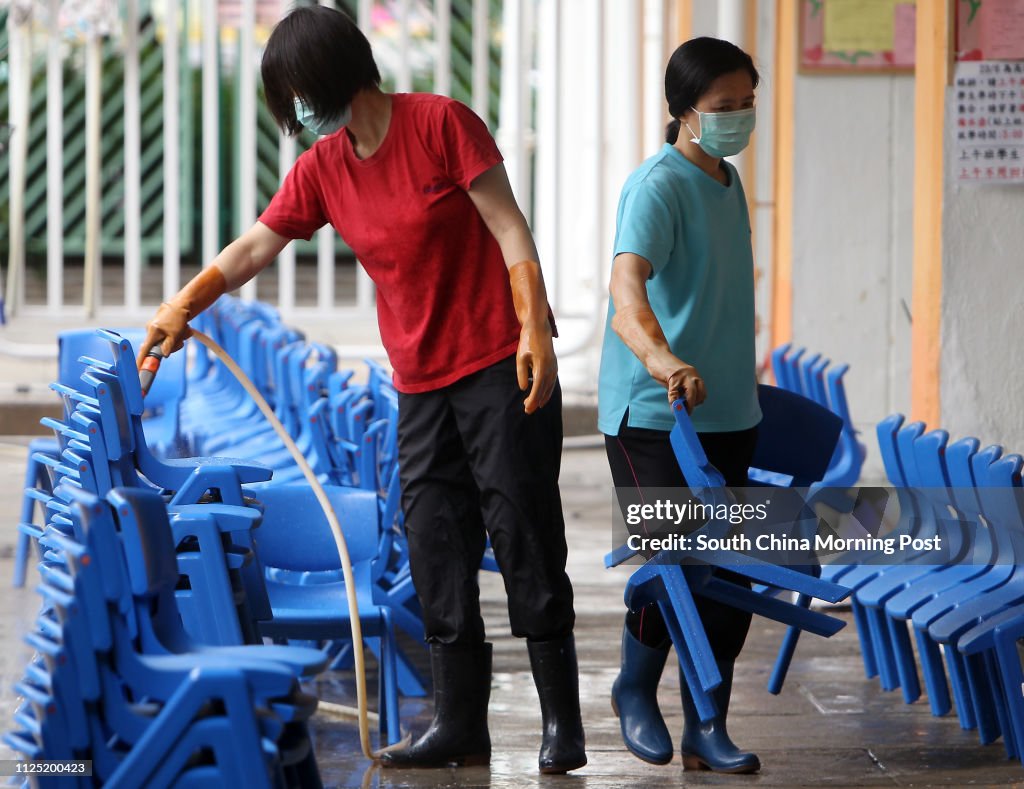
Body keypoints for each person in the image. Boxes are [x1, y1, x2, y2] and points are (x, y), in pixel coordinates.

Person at [137, 5, 585, 775]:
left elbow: (510, 226)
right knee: (434, 540)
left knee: (523, 531)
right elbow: (254, 246)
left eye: (300, 97)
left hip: (494, 364)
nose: (300, 118)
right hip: (419, 380)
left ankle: (561, 722)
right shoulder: (324, 167)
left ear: (338, 74)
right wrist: (185, 302)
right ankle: (458, 723)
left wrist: (533, 327)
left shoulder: (442, 125)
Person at [597, 37, 763, 774]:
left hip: (729, 411)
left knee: (729, 573)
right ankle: (635, 686)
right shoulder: (657, 185)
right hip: (655, 415)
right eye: (724, 108)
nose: (739, 119)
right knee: (673, 561)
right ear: (684, 113)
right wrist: (665, 361)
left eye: (747, 104)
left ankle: (708, 722)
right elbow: (625, 292)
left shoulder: (727, 182)